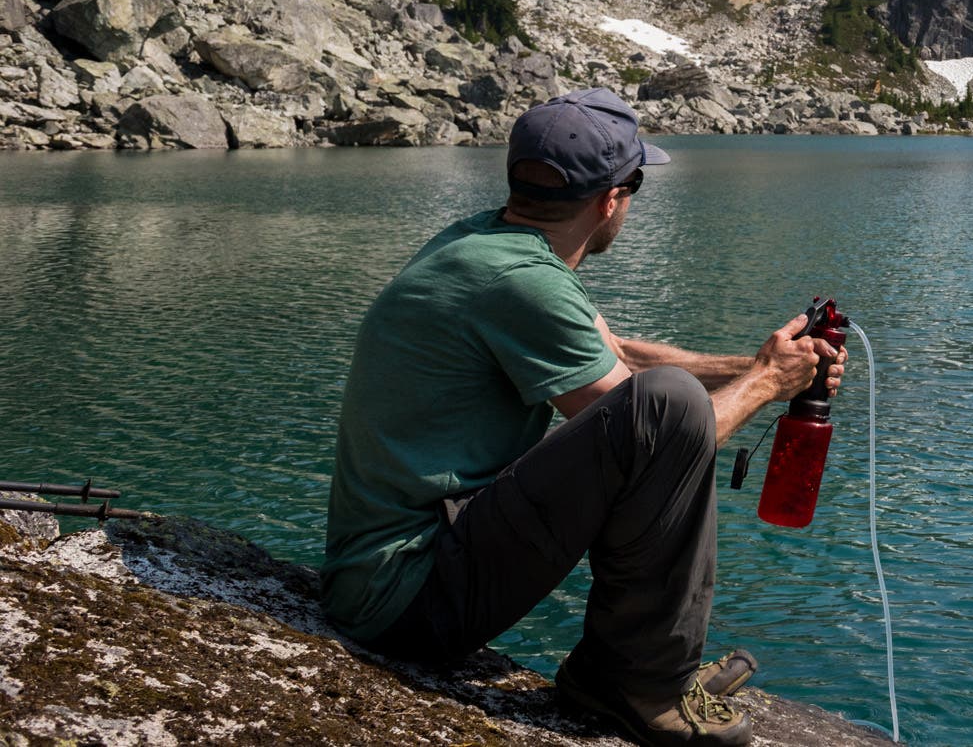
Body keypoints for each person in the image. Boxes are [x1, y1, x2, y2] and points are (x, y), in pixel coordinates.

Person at [322, 88, 841, 746]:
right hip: (405, 602)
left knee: (669, 398)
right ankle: (640, 686)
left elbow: (618, 356)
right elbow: (658, 435)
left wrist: (763, 364)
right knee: (671, 406)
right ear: (610, 200)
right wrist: (769, 383)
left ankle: (624, 668)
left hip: (394, 573)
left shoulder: (489, 244)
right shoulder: (524, 283)